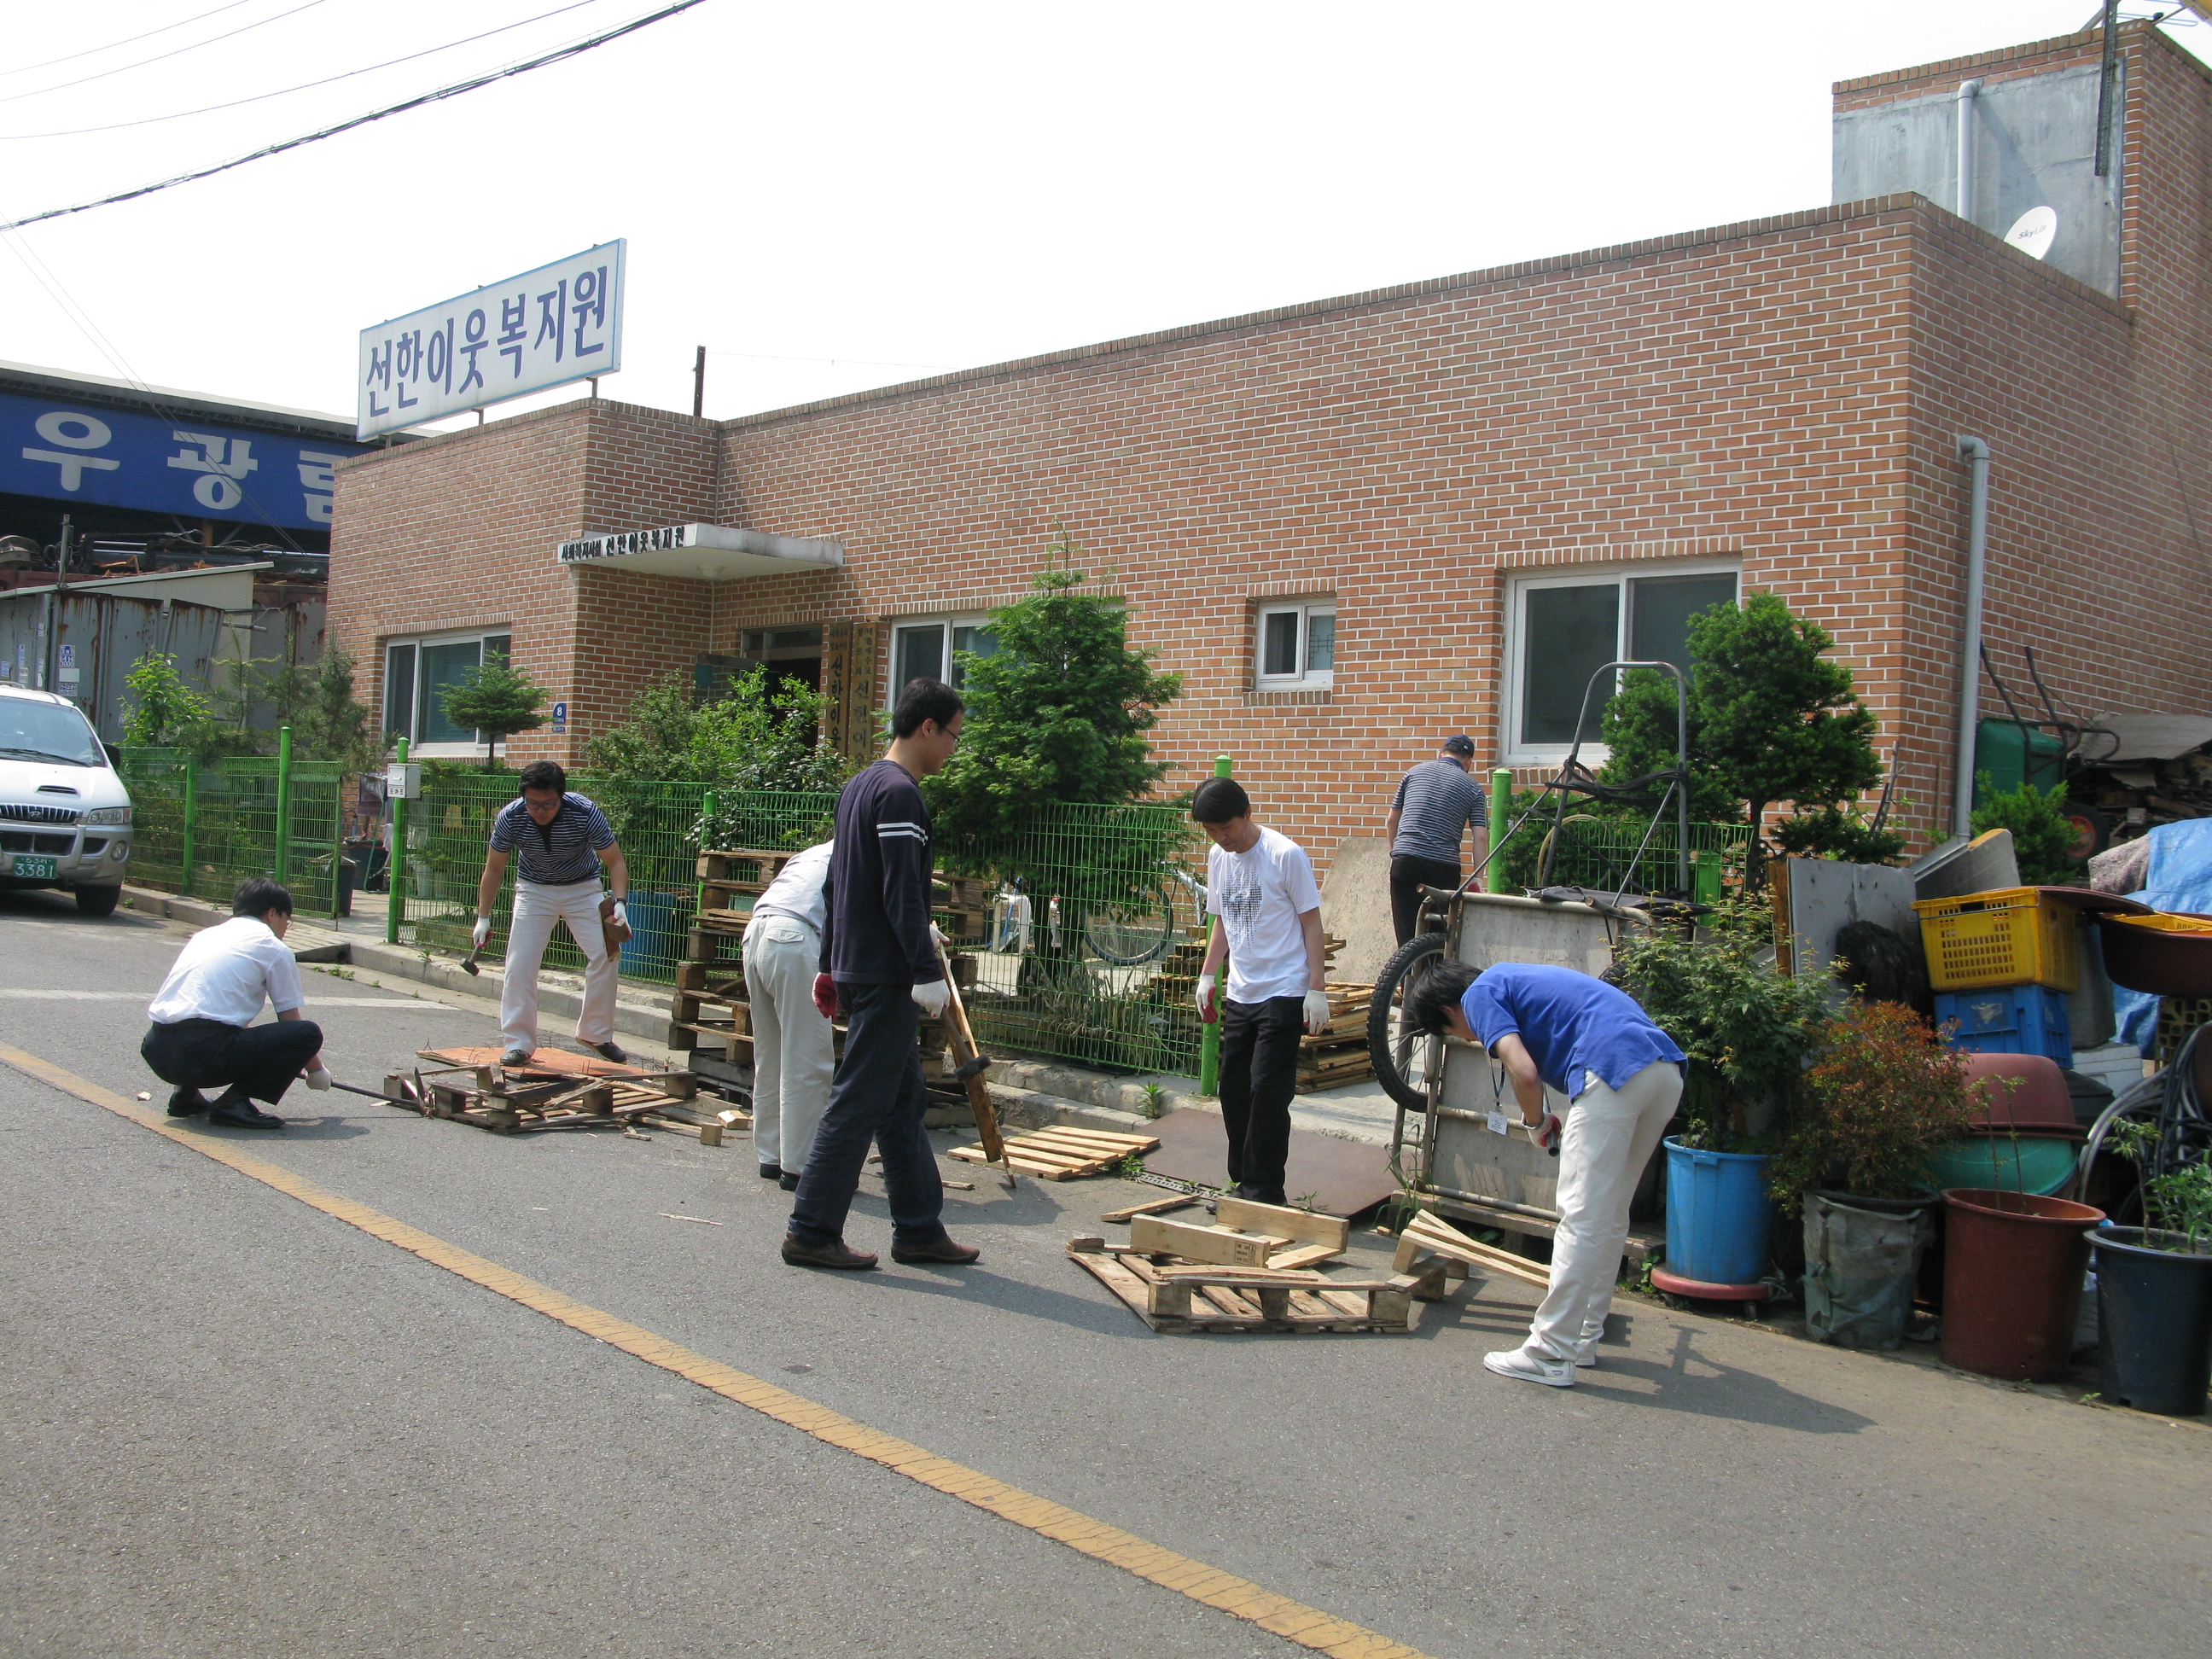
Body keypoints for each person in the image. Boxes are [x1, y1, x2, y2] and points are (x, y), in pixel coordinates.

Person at [1405, 958, 1685, 1388]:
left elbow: (1524, 1071)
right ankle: (1584, 1338)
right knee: (1608, 1214)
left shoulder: (1478, 993)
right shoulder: (1516, 979)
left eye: (1454, 1034)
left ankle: (1551, 1351)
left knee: (1580, 1215)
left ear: (1447, 1011)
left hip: (1611, 1070)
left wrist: (1535, 1124)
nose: (1469, 1037)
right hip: (1662, 1071)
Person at [783, 678, 979, 1271]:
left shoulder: (860, 786)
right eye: (952, 736)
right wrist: (924, 969)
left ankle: (918, 1227)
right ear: (927, 728)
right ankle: (811, 1230)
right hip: (887, 973)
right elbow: (900, 889)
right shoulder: (900, 795)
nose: (952, 748)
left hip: (861, 964)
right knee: (858, 1102)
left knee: (900, 1101)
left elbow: (837, 884)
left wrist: (828, 967)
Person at [1191, 777, 1334, 1206]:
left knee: (1268, 1093)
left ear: (1247, 814)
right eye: (1211, 831)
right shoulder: (1219, 857)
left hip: (1285, 990)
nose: (1221, 838)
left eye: (1226, 828)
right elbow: (1221, 920)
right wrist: (1208, 975)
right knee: (1234, 1091)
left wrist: (1316, 989)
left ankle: (1265, 1191)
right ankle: (1243, 1180)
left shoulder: (1284, 855)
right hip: (1242, 991)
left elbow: (1312, 923)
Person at [473, 760, 631, 1068]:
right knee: (520, 965)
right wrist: (483, 917)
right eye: (533, 803)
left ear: (561, 796)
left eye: (548, 804)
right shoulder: (511, 816)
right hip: (534, 891)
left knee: (607, 954)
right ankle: (519, 1043)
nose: (540, 811)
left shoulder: (584, 812)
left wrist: (620, 902)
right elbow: (494, 868)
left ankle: (595, 1034)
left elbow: (615, 861)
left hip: (583, 889)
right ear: (524, 798)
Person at [140, 878, 331, 1130]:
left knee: (205, 1022)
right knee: (306, 1033)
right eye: (287, 919)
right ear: (272, 913)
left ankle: (186, 1096)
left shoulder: (205, 936)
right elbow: (291, 1021)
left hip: (158, 1051)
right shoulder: (273, 947)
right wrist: (316, 1070)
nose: (286, 926)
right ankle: (235, 1103)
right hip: (201, 1056)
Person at [742, 838, 834, 1193]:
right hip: (795, 938)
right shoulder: (860, 852)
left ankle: (772, 1155)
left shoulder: (814, 852)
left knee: (772, 1052)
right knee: (809, 1059)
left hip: (757, 933)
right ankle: (803, 1165)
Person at [1384, 735, 1488, 945]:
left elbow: (1391, 820)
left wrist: (1396, 852)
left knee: (1407, 936)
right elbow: (1481, 837)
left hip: (1406, 860)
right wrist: (1477, 879)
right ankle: (1434, 971)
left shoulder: (1413, 773)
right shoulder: (1474, 789)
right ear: (1468, 762)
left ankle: (1407, 974)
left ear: (1440, 754)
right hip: (1443, 867)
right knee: (1439, 935)